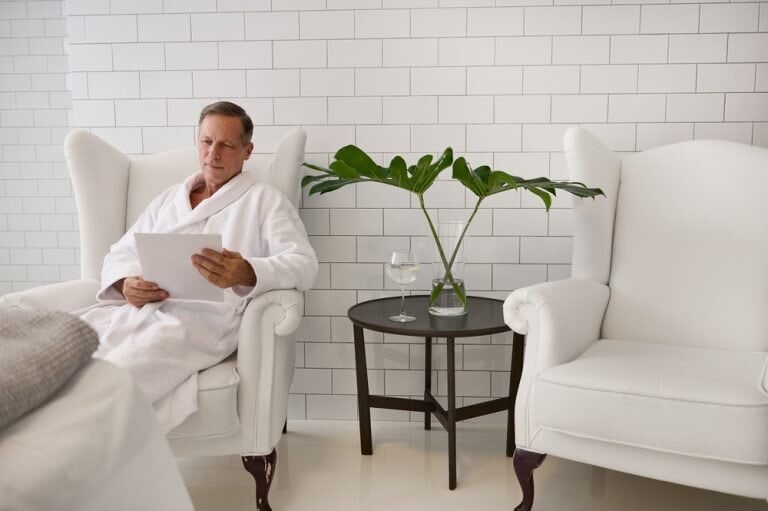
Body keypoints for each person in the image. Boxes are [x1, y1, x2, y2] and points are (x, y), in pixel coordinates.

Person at [78, 101, 318, 432]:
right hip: (138, 311)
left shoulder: (265, 200)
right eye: (207, 142)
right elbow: (122, 251)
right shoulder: (168, 200)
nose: (213, 153)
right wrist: (125, 284)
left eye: (226, 145)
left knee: (117, 373)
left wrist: (248, 271)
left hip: (200, 322)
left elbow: (303, 264)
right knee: (69, 355)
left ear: (247, 151)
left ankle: (86, 446)